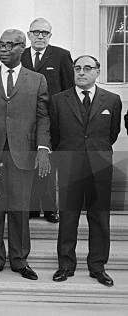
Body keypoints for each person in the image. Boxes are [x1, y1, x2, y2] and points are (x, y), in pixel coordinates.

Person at [0, 29, 51, 281]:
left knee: (19, 209)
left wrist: (42, 148)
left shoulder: (37, 79)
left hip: (22, 154)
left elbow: (43, 117)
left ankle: (19, 260)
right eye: (0, 44)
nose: (3, 48)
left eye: (9, 44)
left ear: (23, 47)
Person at [50, 55, 121, 287]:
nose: (81, 72)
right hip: (70, 163)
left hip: (99, 165)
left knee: (99, 217)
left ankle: (98, 266)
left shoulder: (112, 100)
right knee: (68, 216)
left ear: (97, 72)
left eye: (87, 68)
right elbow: (56, 133)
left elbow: (112, 133)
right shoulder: (59, 100)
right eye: (78, 68)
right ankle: (66, 265)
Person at [21, 18, 74, 223]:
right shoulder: (21, 55)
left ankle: (51, 209)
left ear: (50, 36)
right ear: (29, 35)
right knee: (28, 162)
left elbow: (69, 88)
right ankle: (33, 208)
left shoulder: (61, 56)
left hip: (51, 120)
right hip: (25, 120)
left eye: (44, 32)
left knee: (48, 164)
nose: (40, 36)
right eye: (36, 32)